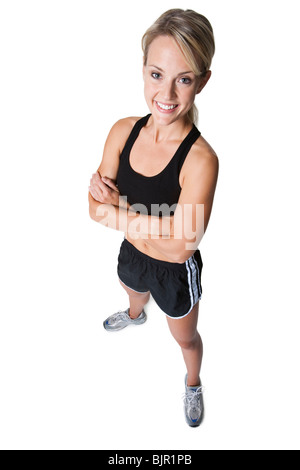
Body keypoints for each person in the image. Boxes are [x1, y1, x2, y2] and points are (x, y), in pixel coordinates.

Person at [88, 9, 218, 427]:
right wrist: (161, 228)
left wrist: (120, 213)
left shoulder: (201, 160)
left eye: (184, 79)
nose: (167, 92)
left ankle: (194, 382)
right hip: (134, 255)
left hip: (176, 274)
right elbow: (93, 209)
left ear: (202, 81)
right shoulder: (122, 131)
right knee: (130, 287)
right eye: (157, 74)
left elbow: (183, 247)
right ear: (143, 71)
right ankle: (135, 315)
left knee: (185, 336)